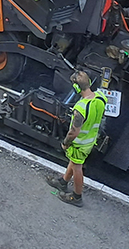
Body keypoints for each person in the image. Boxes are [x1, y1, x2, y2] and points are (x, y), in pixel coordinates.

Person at [46, 70, 106, 207]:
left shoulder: (80, 108)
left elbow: (74, 132)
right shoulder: (101, 97)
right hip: (91, 139)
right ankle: (63, 182)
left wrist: (65, 144)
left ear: (76, 88)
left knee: (78, 167)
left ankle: (77, 197)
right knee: (73, 161)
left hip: (80, 144)